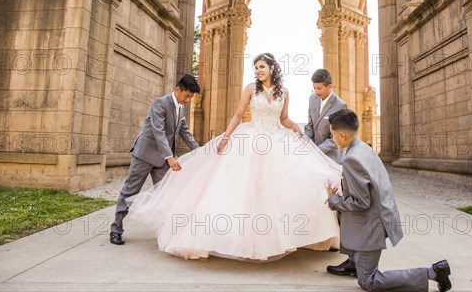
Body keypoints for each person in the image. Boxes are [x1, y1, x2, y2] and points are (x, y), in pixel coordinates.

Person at [126, 53, 342, 261]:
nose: (258, 71)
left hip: (276, 139)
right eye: (256, 67)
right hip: (250, 137)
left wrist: (296, 130)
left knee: (277, 188)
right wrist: (226, 137)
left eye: (262, 67)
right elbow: (238, 114)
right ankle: (241, 240)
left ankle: (281, 236)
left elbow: (284, 118)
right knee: (242, 187)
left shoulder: (284, 91)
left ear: (272, 68)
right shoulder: (250, 89)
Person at [326, 109, 452, 292]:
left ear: (342, 135)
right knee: (364, 270)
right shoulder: (364, 149)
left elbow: (361, 202)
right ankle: (355, 263)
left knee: (368, 281)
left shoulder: (351, 159)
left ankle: (433, 272)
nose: (332, 138)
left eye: (332, 134)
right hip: (380, 217)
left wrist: (334, 200)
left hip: (369, 227)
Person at [109, 74, 201, 245]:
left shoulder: (181, 109)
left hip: (162, 160)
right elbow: (158, 131)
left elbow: (185, 132)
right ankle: (116, 229)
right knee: (130, 190)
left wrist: (200, 152)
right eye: (187, 95)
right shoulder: (160, 103)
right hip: (145, 154)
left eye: (190, 97)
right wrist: (169, 156)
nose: (188, 100)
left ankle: (165, 231)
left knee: (167, 193)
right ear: (178, 90)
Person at [304, 69, 347, 163]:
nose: (316, 91)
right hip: (313, 156)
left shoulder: (340, 105)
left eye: (319, 88)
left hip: (331, 158)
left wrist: (316, 151)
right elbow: (309, 126)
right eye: (314, 88)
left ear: (329, 86)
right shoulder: (312, 98)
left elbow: (336, 138)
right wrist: (304, 142)